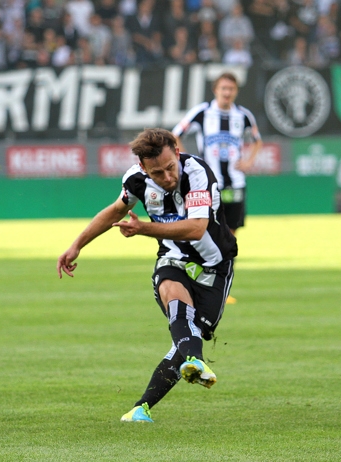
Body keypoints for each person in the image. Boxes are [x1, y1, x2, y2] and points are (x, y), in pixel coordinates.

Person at [57, 128, 237, 423]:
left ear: (177, 153)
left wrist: (144, 229)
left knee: (191, 335)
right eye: (157, 173)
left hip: (214, 266)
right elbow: (115, 211)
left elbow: (196, 228)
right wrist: (76, 245)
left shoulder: (197, 172)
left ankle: (140, 408)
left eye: (170, 167)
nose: (167, 177)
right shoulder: (135, 180)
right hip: (172, 259)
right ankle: (195, 360)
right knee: (177, 307)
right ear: (143, 168)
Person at [172, 72, 262, 237]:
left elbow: (258, 141)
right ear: (215, 90)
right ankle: (210, 261)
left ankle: (227, 262)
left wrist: (249, 162)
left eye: (231, 89)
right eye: (223, 88)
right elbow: (175, 135)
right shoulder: (202, 112)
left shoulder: (243, 115)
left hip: (236, 181)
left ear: (236, 91)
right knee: (207, 226)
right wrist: (188, 161)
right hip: (209, 183)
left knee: (232, 228)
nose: (227, 93)